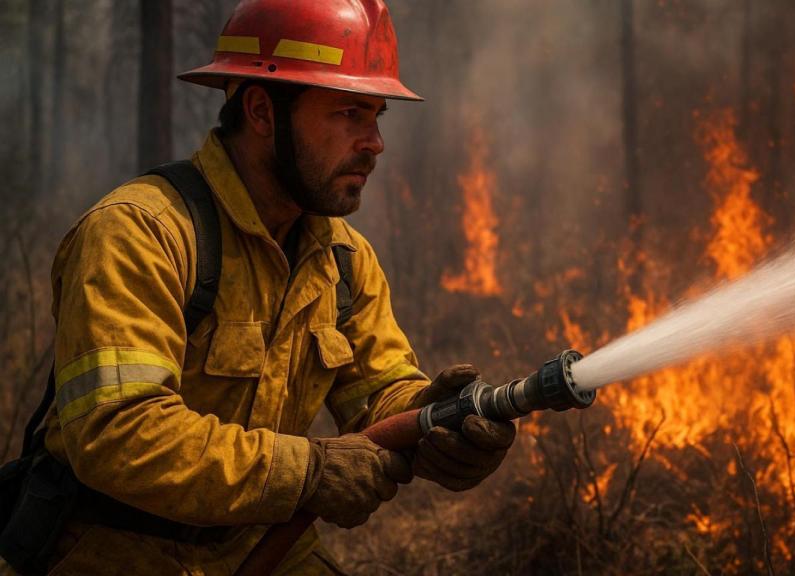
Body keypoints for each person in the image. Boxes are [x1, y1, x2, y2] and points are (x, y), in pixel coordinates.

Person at [3, 0, 515, 573]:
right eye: (349, 113)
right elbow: (117, 433)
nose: (375, 143)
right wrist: (308, 472)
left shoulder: (342, 260)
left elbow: (379, 396)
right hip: (114, 552)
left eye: (377, 115)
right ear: (262, 111)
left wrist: (435, 421)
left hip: (259, 552)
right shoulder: (140, 232)